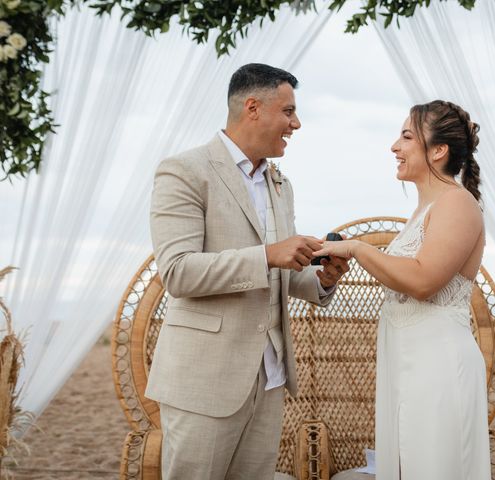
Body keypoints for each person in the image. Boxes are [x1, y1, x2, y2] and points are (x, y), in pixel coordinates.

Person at [146, 63, 349, 480]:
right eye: (289, 111)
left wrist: (323, 278)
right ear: (253, 107)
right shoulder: (183, 171)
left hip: (269, 377)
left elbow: (281, 273)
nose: (297, 123)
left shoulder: (280, 183)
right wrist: (267, 254)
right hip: (205, 381)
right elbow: (178, 273)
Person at [313, 100, 490, 479]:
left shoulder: (457, 203)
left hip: (438, 370)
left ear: (438, 150)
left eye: (407, 136)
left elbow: (424, 281)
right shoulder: (425, 209)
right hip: (408, 367)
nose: (395, 146)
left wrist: (359, 249)